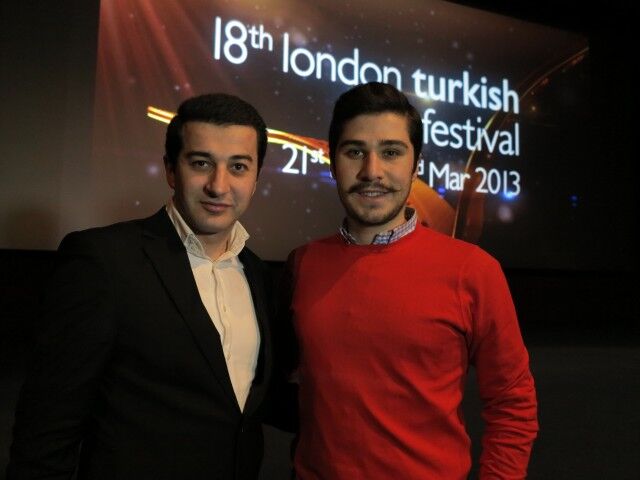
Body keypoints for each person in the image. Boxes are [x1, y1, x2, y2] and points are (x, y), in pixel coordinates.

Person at [8, 93, 275, 480]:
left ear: (255, 179)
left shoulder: (258, 274)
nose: (219, 185)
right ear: (171, 170)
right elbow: (46, 428)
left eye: (238, 166)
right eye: (201, 163)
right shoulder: (104, 260)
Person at [280, 82, 538, 479]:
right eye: (354, 152)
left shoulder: (473, 270)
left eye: (391, 152)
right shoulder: (303, 263)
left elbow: (512, 402)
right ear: (332, 161)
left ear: (416, 165)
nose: (371, 171)